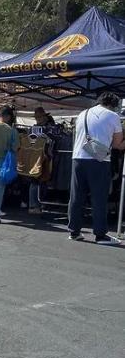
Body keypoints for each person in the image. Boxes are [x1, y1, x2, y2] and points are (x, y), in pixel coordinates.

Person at [68, 92, 125, 245]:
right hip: (99, 160)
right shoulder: (113, 116)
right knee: (99, 198)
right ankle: (100, 235)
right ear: (113, 104)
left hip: (78, 157)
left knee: (76, 196)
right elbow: (118, 144)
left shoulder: (83, 113)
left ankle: (74, 231)